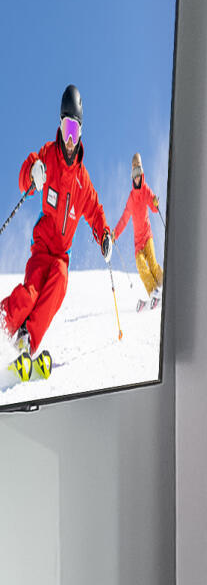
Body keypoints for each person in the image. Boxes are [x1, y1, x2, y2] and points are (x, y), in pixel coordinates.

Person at [7, 86, 111, 378]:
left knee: (60, 284)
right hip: (41, 249)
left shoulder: (83, 182)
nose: (68, 139)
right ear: (59, 126)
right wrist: (32, 174)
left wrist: (104, 235)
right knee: (29, 296)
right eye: (65, 128)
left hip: (60, 256)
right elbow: (27, 172)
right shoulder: (48, 156)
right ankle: (5, 321)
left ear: (80, 133)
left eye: (73, 131)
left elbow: (96, 212)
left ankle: (26, 338)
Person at [115, 153, 161, 300]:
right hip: (138, 243)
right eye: (134, 174)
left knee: (153, 264)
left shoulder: (146, 190)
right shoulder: (131, 199)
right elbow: (124, 219)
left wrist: (155, 203)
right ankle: (154, 292)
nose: (137, 177)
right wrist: (114, 234)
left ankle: (163, 284)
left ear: (142, 173)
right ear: (131, 176)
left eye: (139, 173)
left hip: (147, 237)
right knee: (141, 267)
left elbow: (154, 208)